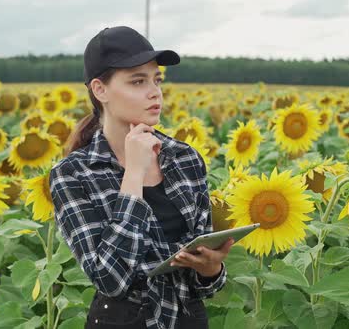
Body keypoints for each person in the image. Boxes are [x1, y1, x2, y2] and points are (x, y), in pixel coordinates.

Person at [49, 25, 234, 329]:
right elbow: (110, 279)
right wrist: (133, 174)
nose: (154, 92)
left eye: (156, 80)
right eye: (137, 81)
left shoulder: (185, 158)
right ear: (100, 90)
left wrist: (211, 269)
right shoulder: (73, 174)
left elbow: (206, 287)